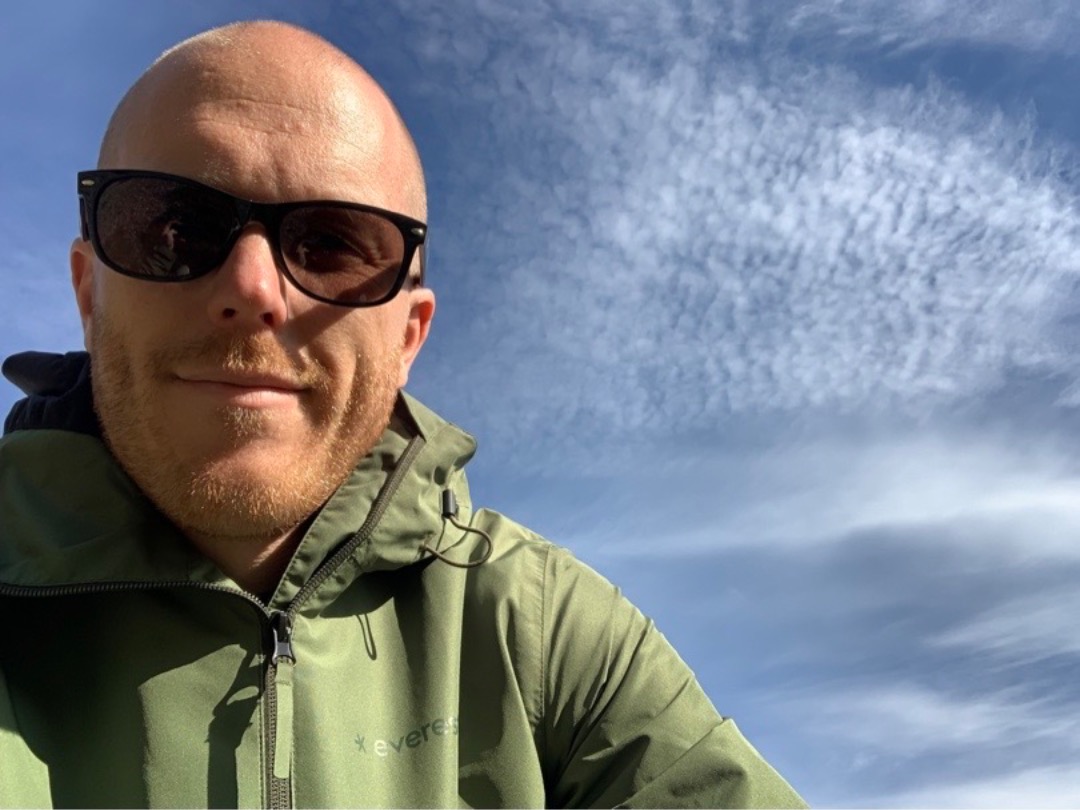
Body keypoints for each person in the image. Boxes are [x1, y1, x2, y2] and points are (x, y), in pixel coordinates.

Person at [0, 20, 804, 809]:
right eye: (175, 228)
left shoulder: (540, 632)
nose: (251, 287)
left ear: (408, 338)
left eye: (332, 244)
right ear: (88, 293)